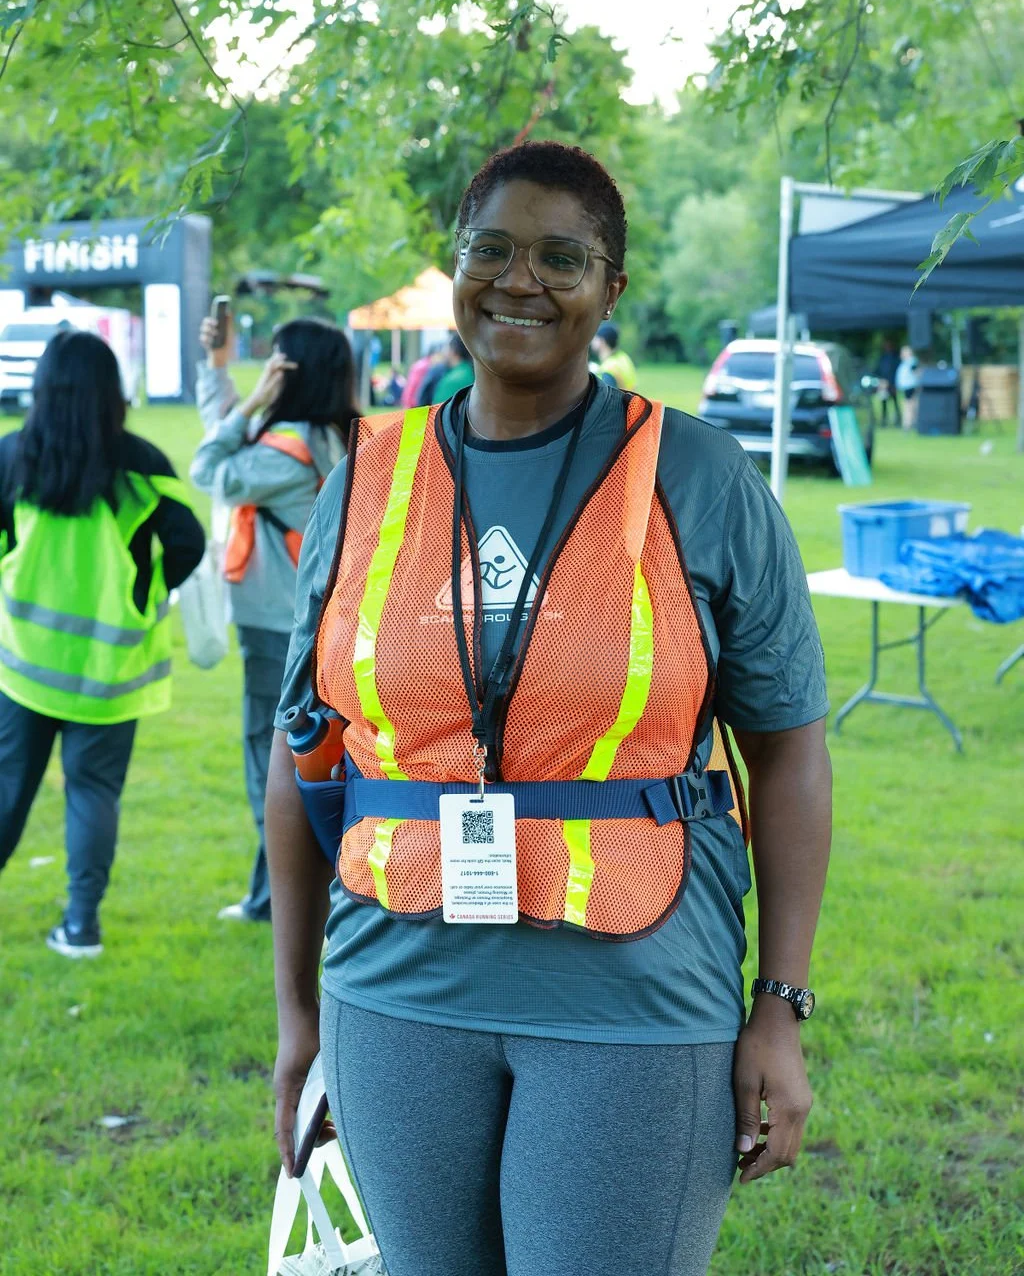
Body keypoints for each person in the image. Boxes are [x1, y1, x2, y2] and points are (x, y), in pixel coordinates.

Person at [267, 141, 832, 1276]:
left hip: (634, 1006)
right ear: (457, 263)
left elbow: (790, 756)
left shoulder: (704, 480)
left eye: (561, 258)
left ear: (609, 289)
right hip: (394, 993)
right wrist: (297, 1017)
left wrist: (778, 1005)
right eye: (493, 249)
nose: (519, 281)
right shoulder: (365, 480)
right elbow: (303, 757)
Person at [0, 330, 204, 957]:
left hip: (25, 663)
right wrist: (148, 595)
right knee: (93, 794)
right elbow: (189, 544)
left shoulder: (12, 456)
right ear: (112, 391)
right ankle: (81, 926)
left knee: (7, 789)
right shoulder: (142, 462)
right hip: (111, 672)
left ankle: (80, 925)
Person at [190, 314, 356, 924]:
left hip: (273, 629)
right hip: (320, 625)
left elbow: (210, 468)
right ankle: (277, 894)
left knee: (271, 764)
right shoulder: (340, 435)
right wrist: (219, 370)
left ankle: (281, 898)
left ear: (288, 373)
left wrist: (253, 398)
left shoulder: (288, 450)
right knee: (310, 761)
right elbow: (232, 440)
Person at [591, 317, 637, 390]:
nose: (592, 341)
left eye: (595, 338)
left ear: (602, 341)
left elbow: (607, 399)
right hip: (632, 400)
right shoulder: (624, 357)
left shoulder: (608, 368)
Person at [428, 332, 474, 404]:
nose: (443, 352)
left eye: (446, 347)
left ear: (454, 351)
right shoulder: (472, 372)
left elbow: (437, 411)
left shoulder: (451, 380)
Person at [875, 339, 901, 427]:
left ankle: (898, 420)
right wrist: (881, 381)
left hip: (892, 383)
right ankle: (884, 420)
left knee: (895, 402)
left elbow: (896, 371)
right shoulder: (882, 357)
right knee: (884, 403)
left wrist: (893, 383)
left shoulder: (895, 357)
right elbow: (878, 370)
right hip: (883, 383)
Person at [895, 344, 919, 432]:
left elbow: (916, 373)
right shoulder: (905, 363)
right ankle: (909, 424)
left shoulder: (912, 362)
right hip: (906, 387)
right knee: (909, 406)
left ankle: (908, 424)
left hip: (910, 387)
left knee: (910, 406)